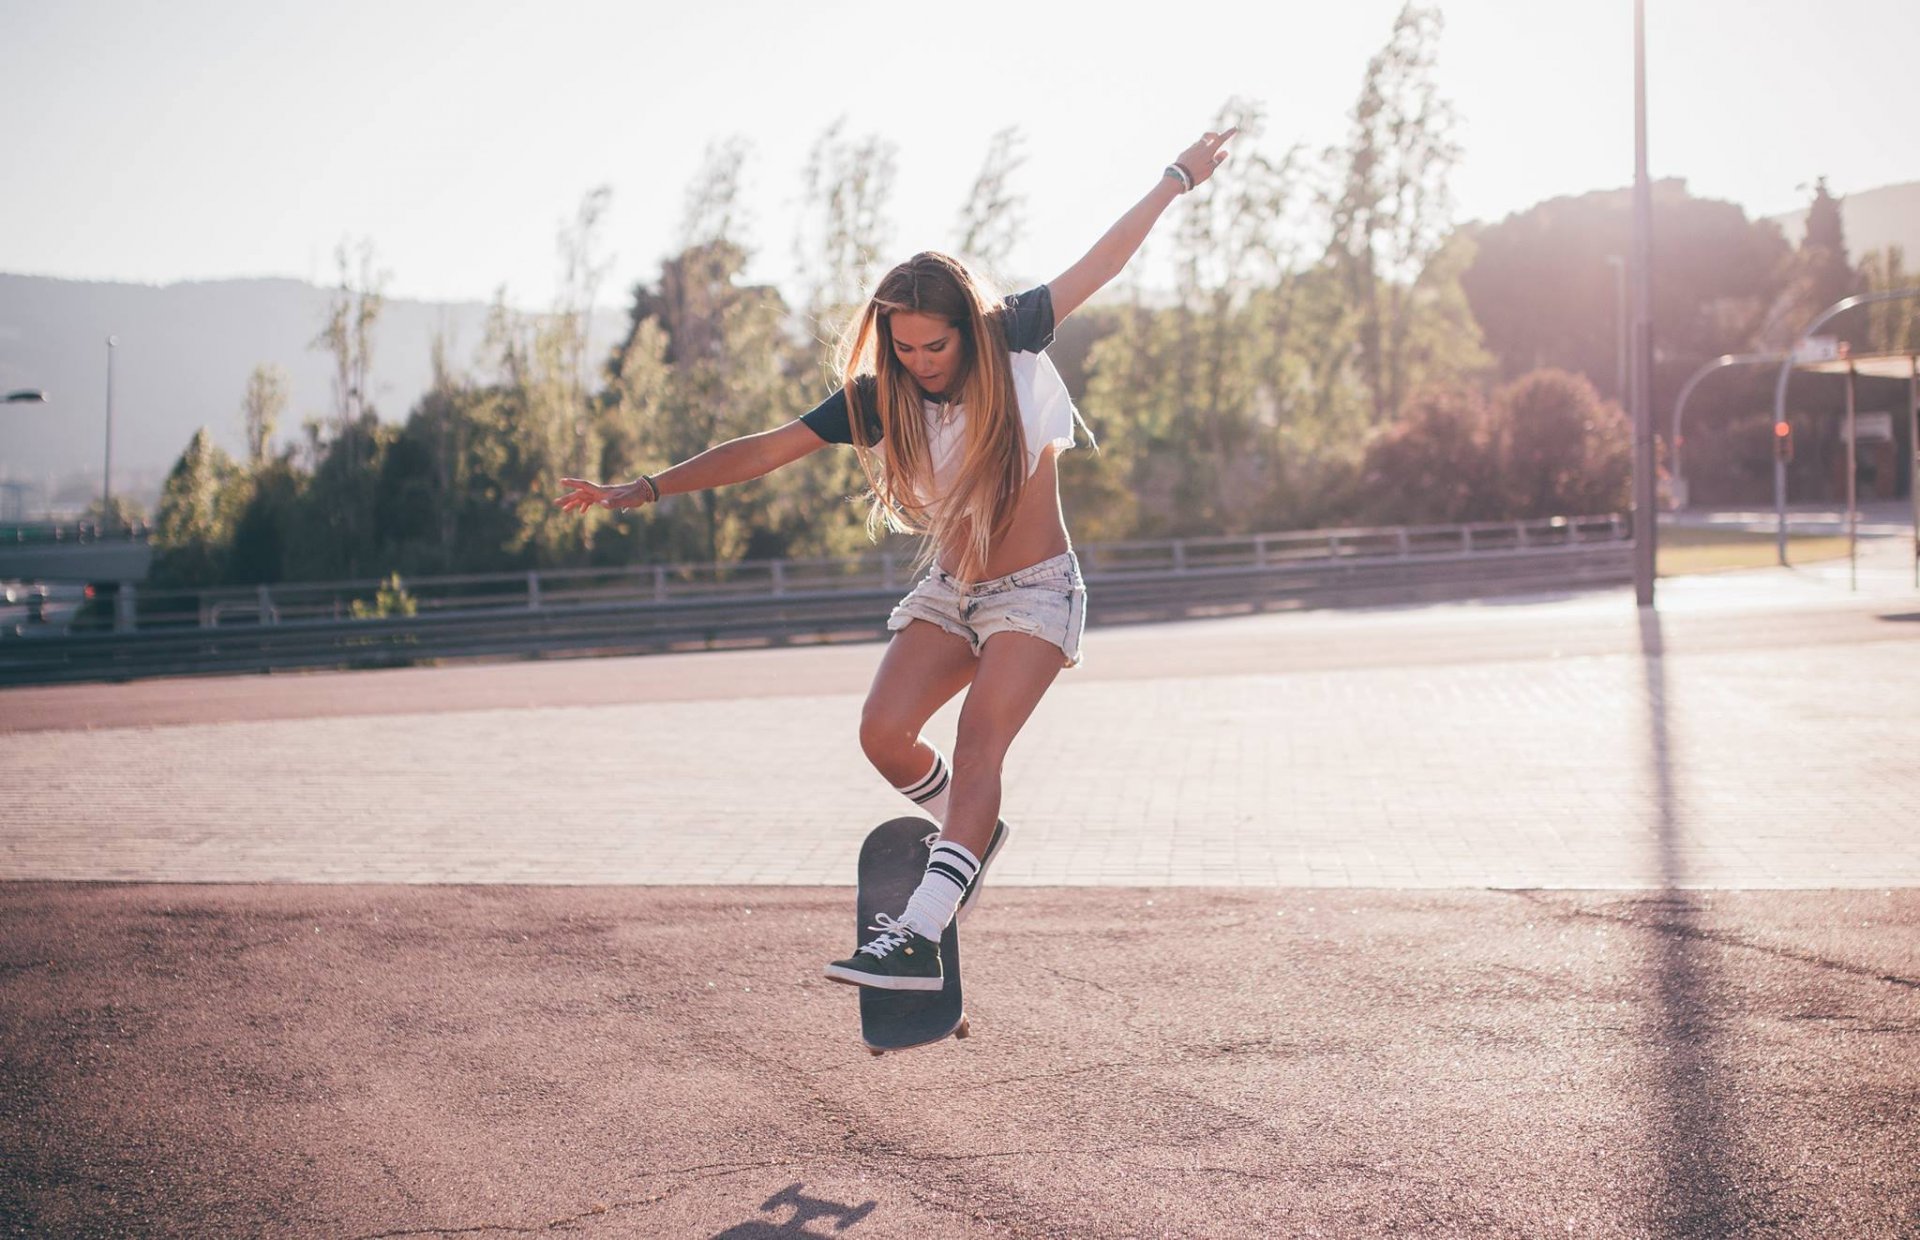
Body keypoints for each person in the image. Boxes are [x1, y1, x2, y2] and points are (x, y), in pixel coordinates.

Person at [558, 127, 1236, 991]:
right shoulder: (881, 399)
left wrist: (1176, 178)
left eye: (935, 347)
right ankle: (967, 834)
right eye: (904, 349)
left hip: (1034, 593)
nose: (921, 365)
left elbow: (1104, 259)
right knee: (883, 733)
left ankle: (920, 930)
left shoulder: (1015, 336)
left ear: (966, 327)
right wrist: (645, 489)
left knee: (980, 742)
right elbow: (765, 448)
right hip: (952, 592)